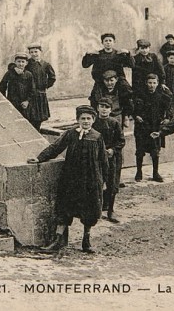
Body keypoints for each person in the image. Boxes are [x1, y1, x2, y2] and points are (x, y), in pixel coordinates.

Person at [28, 105, 108, 253]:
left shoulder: (97, 137)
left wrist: (103, 181)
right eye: (82, 118)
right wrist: (39, 158)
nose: (85, 121)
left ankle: (86, 240)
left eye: (88, 118)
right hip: (71, 178)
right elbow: (56, 147)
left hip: (90, 180)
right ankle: (58, 241)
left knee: (89, 210)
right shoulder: (70, 134)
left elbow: (103, 160)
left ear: (93, 120)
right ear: (77, 120)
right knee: (64, 208)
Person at [132, 73, 173, 182]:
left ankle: (155, 173)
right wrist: (136, 116)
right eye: (150, 83)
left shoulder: (162, 96)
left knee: (155, 151)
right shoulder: (140, 94)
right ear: (146, 83)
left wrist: (167, 118)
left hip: (155, 126)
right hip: (142, 127)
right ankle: (139, 172)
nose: (152, 85)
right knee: (140, 150)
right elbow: (132, 108)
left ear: (158, 83)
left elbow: (169, 106)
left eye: (154, 83)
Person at [92, 98, 125, 223]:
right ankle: (98, 209)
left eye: (107, 107)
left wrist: (112, 150)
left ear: (111, 109)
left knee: (112, 183)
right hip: (97, 158)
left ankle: (110, 210)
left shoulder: (114, 123)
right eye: (102, 106)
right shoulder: (94, 123)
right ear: (97, 108)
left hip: (112, 158)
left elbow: (121, 141)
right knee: (98, 182)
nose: (104, 109)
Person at [25, 43, 56, 131]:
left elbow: (52, 77)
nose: (34, 54)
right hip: (30, 94)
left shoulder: (45, 64)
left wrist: (45, 86)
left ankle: (37, 131)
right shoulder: (27, 64)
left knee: (39, 117)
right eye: (31, 52)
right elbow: (15, 66)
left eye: (36, 52)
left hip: (40, 94)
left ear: (41, 52)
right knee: (30, 116)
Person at [0, 53, 36, 120]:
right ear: (15, 62)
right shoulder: (10, 73)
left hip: (24, 104)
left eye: (23, 62)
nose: (21, 64)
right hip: (12, 102)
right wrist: (5, 100)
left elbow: (32, 89)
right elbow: (2, 86)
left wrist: (27, 101)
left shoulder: (29, 74)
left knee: (25, 120)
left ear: (26, 63)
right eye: (18, 61)